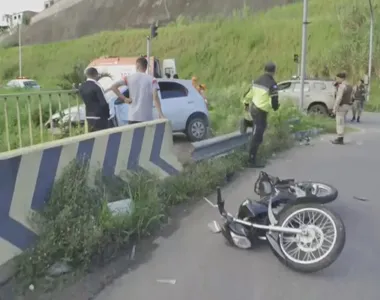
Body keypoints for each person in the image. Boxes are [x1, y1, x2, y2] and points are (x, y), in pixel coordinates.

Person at [107, 57, 165, 124]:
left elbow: (113, 87)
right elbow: (155, 98)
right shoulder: (152, 80)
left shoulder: (129, 78)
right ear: (146, 67)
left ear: (137, 66)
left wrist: (125, 99)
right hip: (146, 117)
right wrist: (161, 114)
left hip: (133, 116)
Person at [247, 62, 279, 168]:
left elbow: (248, 94)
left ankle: (248, 123)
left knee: (258, 131)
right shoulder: (272, 84)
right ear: (274, 71)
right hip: (261, 111)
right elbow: (274, 101)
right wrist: (275, 107)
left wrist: (246, 104)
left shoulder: (257, 80)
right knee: (257, 135)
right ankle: (251, 160)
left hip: (254, 108)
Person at [79, 67, 110, 132]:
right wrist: (107, 114)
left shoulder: (82, 86)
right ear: (96, 74)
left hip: (89, 115)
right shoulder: (97, 86)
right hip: (99, 116)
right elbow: (103, 103)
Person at [331, 72, 353, 145]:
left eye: (337, 78)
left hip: (341, 106)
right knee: (343, 121)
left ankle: (340, 138)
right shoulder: (349, 86)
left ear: (341, 78)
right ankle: (340, 137)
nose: (337, 80)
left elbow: (339, 98)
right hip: (347, 106)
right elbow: (352, 97)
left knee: (339, 122)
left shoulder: (342, 86)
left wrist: (334, 109)